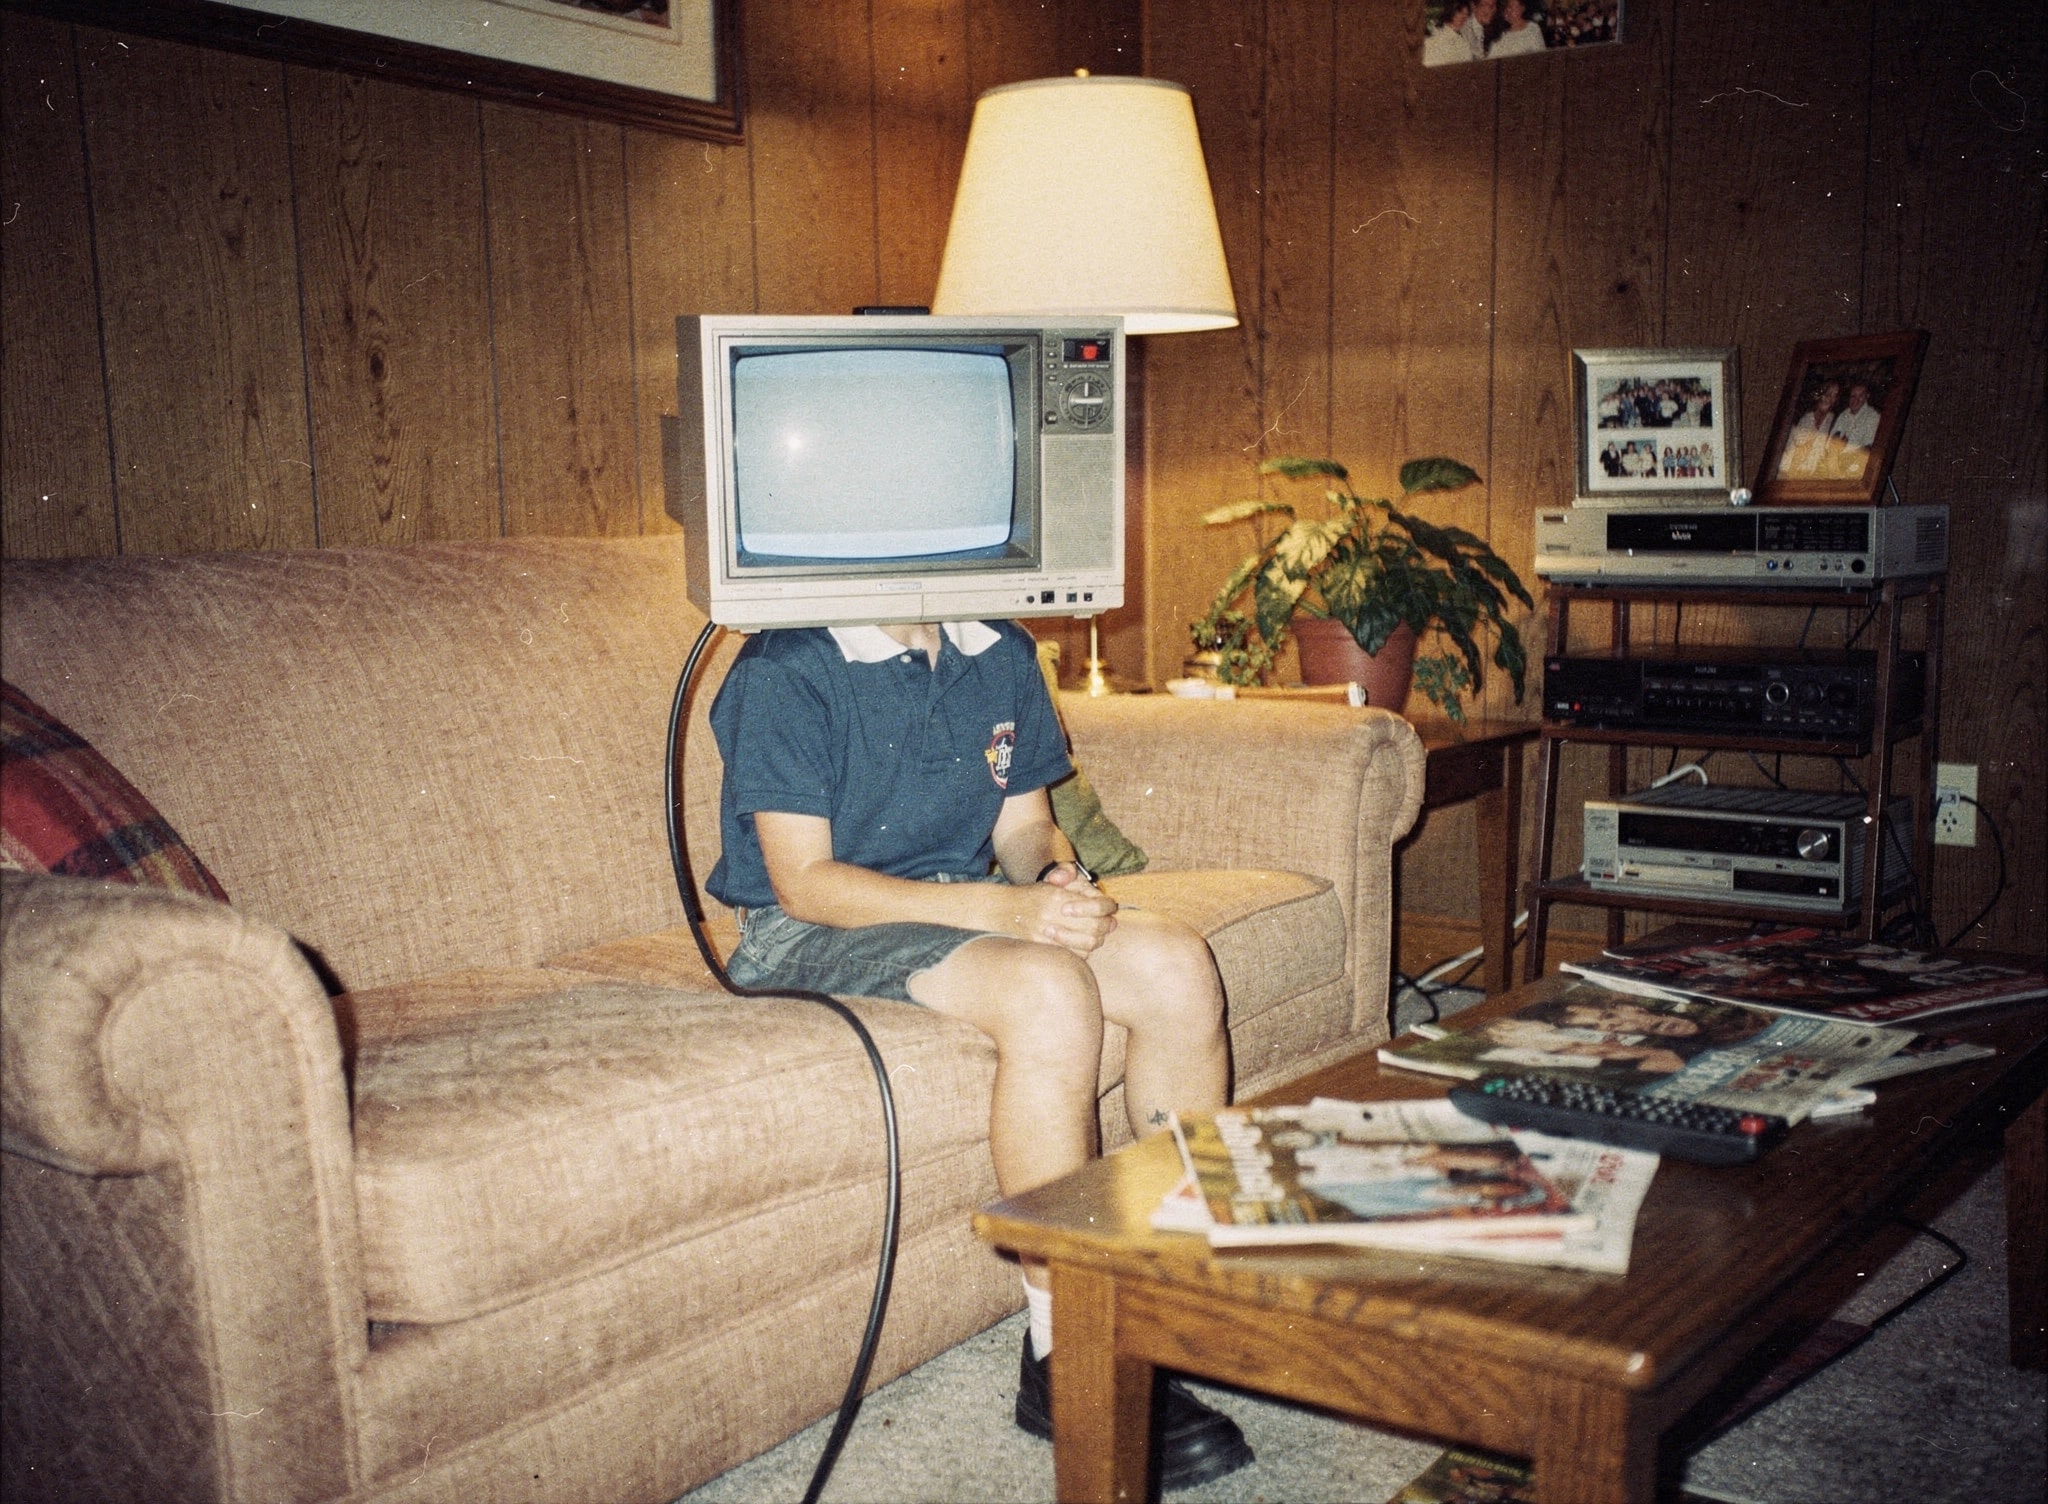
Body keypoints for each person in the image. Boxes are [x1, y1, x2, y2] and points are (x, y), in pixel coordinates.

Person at [706, 618, 1254, 1489]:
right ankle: (1063, 1347)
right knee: (1049, 990)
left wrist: (1048, 881)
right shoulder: (788, 666)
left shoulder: (997, 649)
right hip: (809, 931)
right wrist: (1000, 914)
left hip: (952, 901)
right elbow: (804, 882)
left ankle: (1167, 1287)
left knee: (1178, 963)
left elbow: (1025, 827)